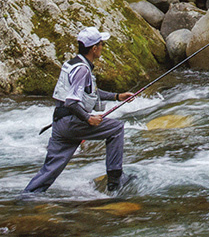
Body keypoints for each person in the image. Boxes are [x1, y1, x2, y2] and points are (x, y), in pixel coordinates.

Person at [24, 27, 134, 193]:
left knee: (50, 169)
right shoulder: (82, 70)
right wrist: (88, 119)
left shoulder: (73, 64)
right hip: (71, 123)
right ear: (94, 48)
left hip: (60, 123)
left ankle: (28, 196)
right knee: (116, 129)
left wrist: (117, 96)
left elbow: (90, 92)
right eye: (101, 44)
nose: (103, 47)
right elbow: (72, 102)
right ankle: (115, 180)